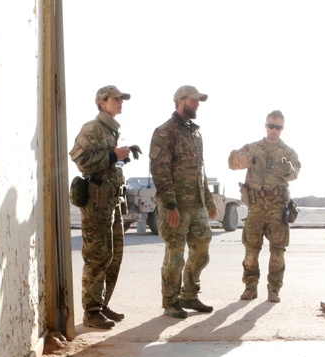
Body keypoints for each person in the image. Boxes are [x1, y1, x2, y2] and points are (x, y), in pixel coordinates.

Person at [148, 85, 218, 319]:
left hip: (196, 205)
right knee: (175, 255)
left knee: (201, 250)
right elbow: (159, 170)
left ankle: (189, 294)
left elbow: (201, 171)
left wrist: (208, 201)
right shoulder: (165, 132)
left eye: (198, 101)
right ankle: (170, 301)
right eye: (193, 100)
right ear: (180, 101)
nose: (197, 104)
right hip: (176, 207)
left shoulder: (195, 133)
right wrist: (170, 205)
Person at [69, 85, 134, 329]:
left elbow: (107, 160)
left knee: (114, 255)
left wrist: (120, 157)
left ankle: (102, 303)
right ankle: (91, 311)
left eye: (121, 99)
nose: (120, 102)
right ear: (102, 103)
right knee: (97, 257)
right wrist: (112, 156)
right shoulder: (92, 128)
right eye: (115, 99)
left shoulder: (111, 130)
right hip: (96, 204)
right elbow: (80, 159)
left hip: (112, 203)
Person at [228, 110, 300, 303]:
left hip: (277, 207)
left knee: (278, 250)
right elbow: (232, 162)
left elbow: (295, 174)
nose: (274, 130)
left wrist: (288, 170)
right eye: (271, 126)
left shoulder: (288, 152)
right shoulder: (253, 148)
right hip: (256, 206)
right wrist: (246, 160)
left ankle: (274, 289)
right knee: (251, 250)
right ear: (265, 126)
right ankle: (250, 287)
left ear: (282, 128)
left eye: (278, 127)